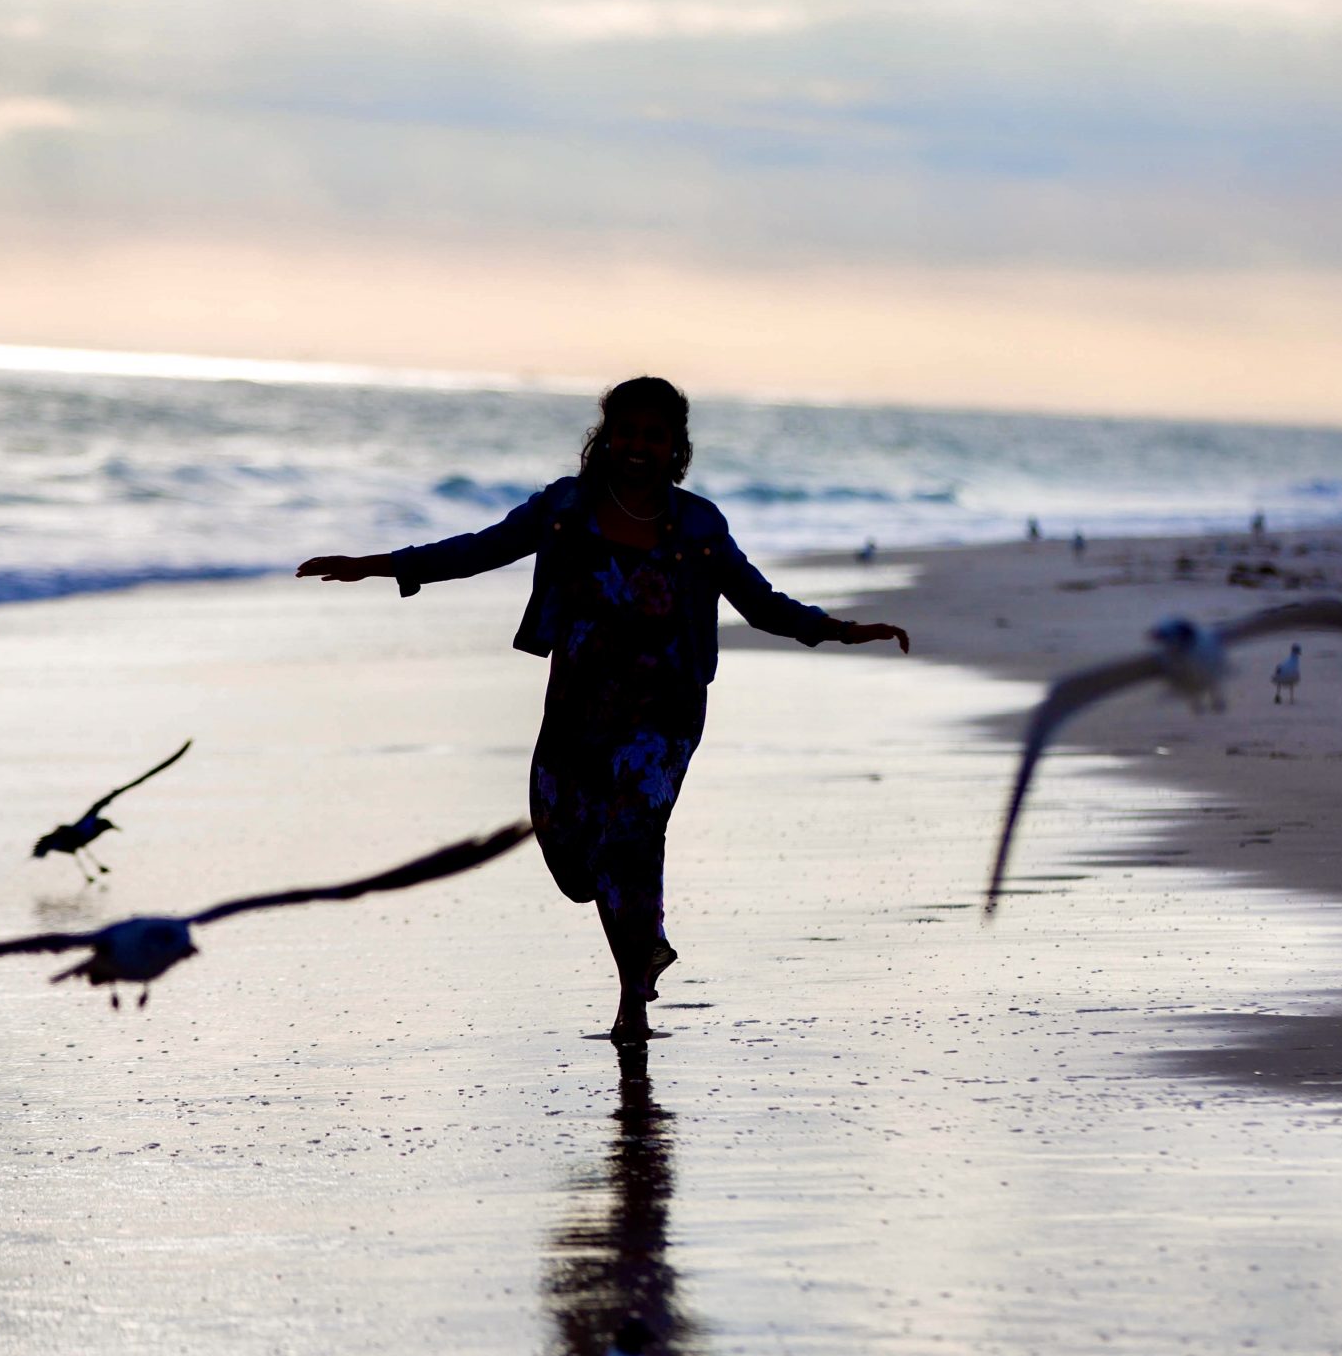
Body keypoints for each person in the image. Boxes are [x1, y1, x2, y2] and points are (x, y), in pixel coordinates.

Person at [296, 376, 910, 1041]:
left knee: (630, 839)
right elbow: (480, 548)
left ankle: (632, 1000)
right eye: (628, 430)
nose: (639, 445)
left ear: (676, 445)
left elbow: (759, 603)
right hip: (579, 708)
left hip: (666, 711)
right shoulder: (567, 506)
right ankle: (642, 943)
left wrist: (840, 628)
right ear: (606, 435)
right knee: (570, 847)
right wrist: (381, 564)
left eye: (655, 434)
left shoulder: (699, 524)